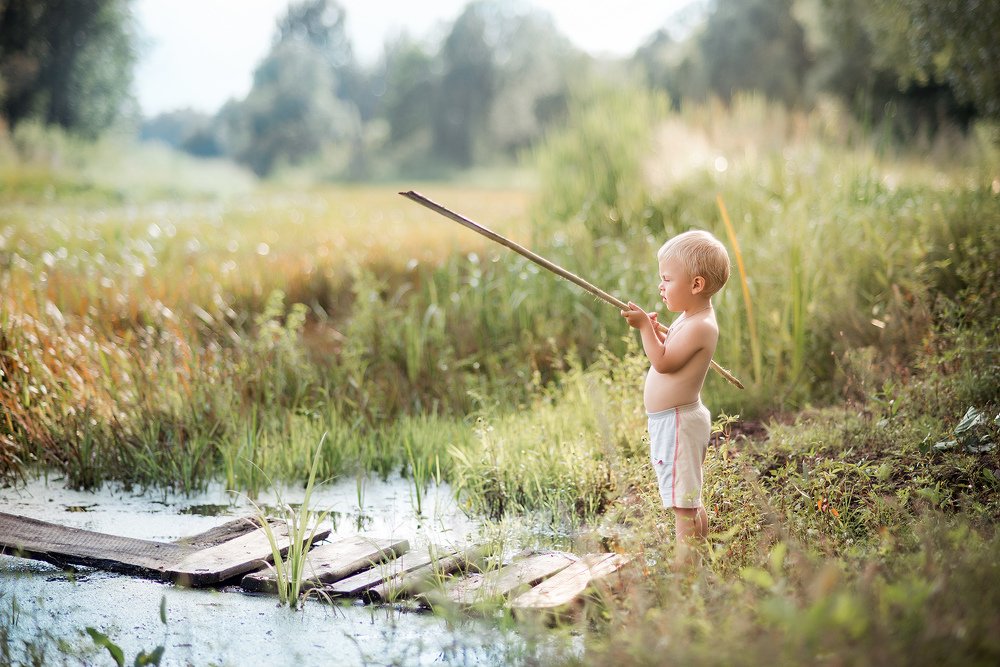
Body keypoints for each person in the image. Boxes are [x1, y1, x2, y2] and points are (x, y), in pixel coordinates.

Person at [621, 230, 730, 569]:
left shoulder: (701, 326)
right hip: (674, 420)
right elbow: (672, 349)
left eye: (667, 279)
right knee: (688, 498)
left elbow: (664, 362)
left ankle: (687, 570)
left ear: (696, 285)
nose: (661, 286)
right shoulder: (691, 318)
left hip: (679, 422)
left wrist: (644, 328)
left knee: (684, 504)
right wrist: (657, 332)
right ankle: (698, 559)